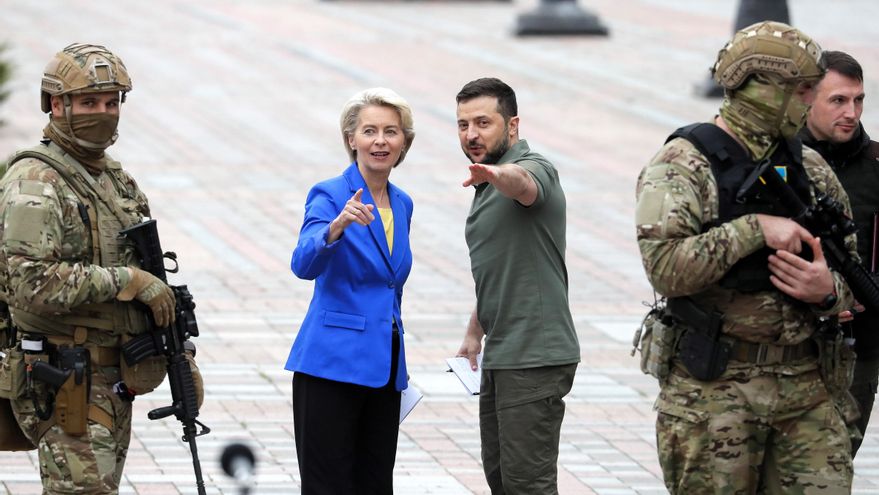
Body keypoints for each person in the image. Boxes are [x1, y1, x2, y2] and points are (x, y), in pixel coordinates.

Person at [635, 22, 858, 492]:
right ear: (763, 89)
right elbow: (666, 269)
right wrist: (754, 229)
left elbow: (850, 272)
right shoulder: (682, 164)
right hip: (715, 392)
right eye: (802, 91)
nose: (809, 102)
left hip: (807, 387)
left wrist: (826, 292)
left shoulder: (809, 167)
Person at [0, 43, 184, 493]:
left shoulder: (113, 179)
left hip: (113, 378)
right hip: (65, 378)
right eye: (88, 103)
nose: (103, 114)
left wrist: (178, 353)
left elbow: (146, 267)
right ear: (56, 105)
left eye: (111, 103)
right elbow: (31, 283)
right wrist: (128, 281)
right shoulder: (35, 182)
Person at [285, 87, 415, 494]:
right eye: (369, 131)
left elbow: (390, 285)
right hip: (331, 365)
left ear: (404, 141)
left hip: (384, 368)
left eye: (391, 131)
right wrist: (335, 227)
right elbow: (303, 263)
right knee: (328, 486)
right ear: (351, 139)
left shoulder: (403, 203)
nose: (380, 141)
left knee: (376, 485)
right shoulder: (330, 194)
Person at [454, 77, 580, 495]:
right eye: (463, 125)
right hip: (504, 353)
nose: (471, 134)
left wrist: (498, 174)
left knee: (528, 486)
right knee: (502, 479)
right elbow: (504, 266)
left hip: (534, 355)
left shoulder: (532, 167)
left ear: (512, 125)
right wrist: (475, 329)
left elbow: (523, 184)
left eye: (483, 123)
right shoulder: (485, 184)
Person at [800, 50, 879, 457]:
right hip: (789, 347)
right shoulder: (778, 163)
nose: (851, 112)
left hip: (857, 350)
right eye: (838, 100)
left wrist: (860, 293)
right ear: (806, 98)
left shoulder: (876, 166)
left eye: (858, 100)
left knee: (834, 467)